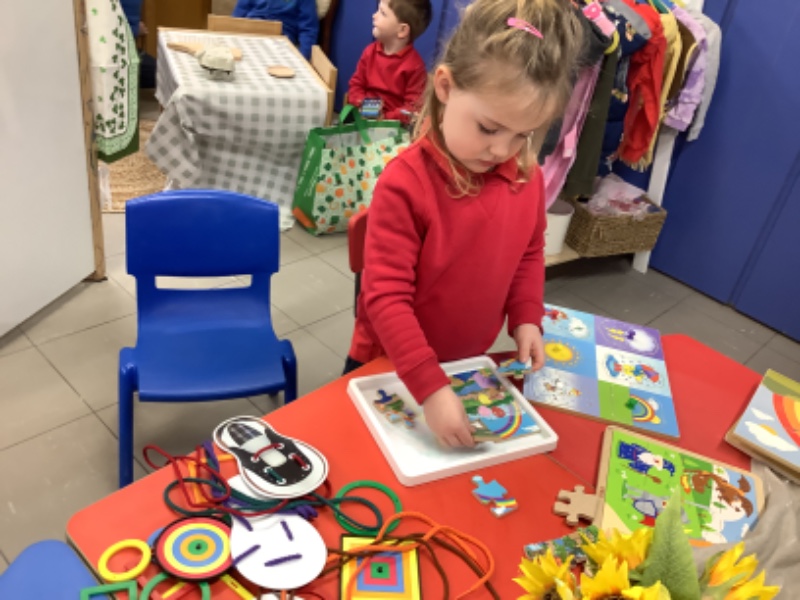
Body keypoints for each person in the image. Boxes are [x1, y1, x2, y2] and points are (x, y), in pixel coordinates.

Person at [344, 0, 584, 448]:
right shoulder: (406, 184)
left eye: (523, 135)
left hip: (466, 365)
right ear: (445, 86)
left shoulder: (526, 177)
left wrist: (526, 318)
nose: (502, 151)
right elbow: (386, 297)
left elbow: (529, 252)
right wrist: (429, 387)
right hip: (392, 365)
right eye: (489, 129)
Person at [347, 0, 432, 123]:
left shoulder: (415, 66)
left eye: (382, 13)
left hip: (393, 128)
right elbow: (356, 85)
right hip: (362, 119)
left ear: (402, 30)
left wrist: (385, 118)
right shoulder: (369, 52)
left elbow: (412, 108)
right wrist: (367, 108)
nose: (374, 15)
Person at [232, 0, 319, 59]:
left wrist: (302, 58)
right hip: (249, 33)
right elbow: (237, 16)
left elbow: (308, 29)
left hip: (279, 40)